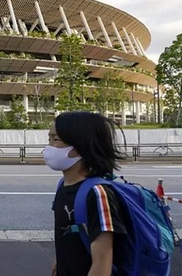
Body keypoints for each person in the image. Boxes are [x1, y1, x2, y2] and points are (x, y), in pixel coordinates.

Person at [47, 112, 128, 276]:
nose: (49, 147)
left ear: (80, 145)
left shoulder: (98, 194)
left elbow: (102, 264)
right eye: (49, 139)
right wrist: (60, 260)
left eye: (56, 140)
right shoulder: (63, 185)